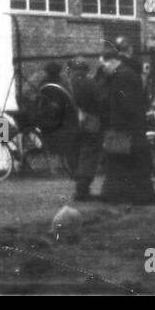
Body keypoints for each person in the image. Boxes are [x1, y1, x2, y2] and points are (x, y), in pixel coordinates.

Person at [97, 38, 155, 206]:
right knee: (131, 163)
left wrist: (118, 122)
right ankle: (137, 196)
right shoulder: (127, 73)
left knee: (121, 161)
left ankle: (121, 195)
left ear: (113, 62)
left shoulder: (121, 77)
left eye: (104, 65)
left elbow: (125, 103)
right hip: (132, 126)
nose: (103, 69)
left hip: (125, 127)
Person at [67, 55, 104, 201]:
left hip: (74, 125)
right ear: (85, 69)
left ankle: (80, 186)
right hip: (92, 123)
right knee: (89, 156)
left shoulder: (68, 83)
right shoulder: (91, 83)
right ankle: (83, 189)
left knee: (78, 154)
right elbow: (99, 101)